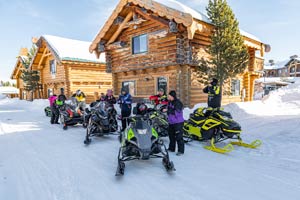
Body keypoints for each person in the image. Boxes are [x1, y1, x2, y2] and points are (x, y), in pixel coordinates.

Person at [166, 90, 185, 156]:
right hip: (171, 122)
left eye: (169, 96)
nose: (168, 97)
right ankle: (171, 148)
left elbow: (178, 112)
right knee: (171, 136)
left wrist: (168, 110)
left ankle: (181, 151)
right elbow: (169, 109)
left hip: (178, 122)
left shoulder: (178, 103)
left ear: (172, 96)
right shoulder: (170, 102)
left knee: (179, 137)